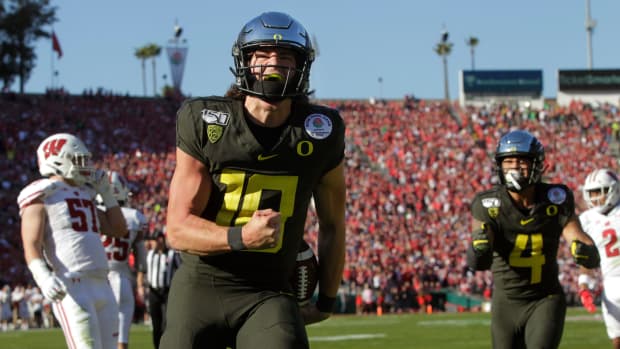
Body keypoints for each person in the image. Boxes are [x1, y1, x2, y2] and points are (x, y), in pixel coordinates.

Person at [160, 11, 346, 349]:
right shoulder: (204, 121)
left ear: (301, 66)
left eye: (286, 56)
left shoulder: (321, 131)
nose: (274, 63)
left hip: (269, 290)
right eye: (262, 55)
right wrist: (241, 236)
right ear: (244, 62)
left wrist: (327, 300)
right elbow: (176, 228)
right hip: (203, 285)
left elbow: (333, 224)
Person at [466, 129, 600, 349]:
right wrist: (479, 249)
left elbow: (578, 239)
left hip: (544, 299)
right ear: (499, 165)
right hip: (506, 302)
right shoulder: (488, 204)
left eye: (522, 161)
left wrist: (587, 252)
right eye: (508, 162)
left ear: (537, 165)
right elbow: (478, 262)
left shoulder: (556, 199)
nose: (515, 168)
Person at [17, 132, 128, 349]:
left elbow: (118, 229)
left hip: (102, 282)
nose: (85, 165)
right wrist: (43, 277)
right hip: (73, 284)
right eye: (78, 160)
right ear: (57, 159)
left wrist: (107, 195)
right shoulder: (43, 193)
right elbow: (31, 243)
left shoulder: (85, 193)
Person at [99, 171, 147, 349]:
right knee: (121, 341)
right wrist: (141, 279)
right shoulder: (135, 217)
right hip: (122, 279)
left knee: (97, 336)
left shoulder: (95, 213)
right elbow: (142, 259)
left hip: (98, 279)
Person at [579, 168, 620, 349]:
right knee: (617, 340)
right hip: (610, 284)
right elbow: (587, 259)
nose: (595, 198)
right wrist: (584, 285)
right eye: (592, 193)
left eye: (599, 192)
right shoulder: (586, 219)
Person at [145, 232, 180, 349]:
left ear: (161, 240)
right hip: (153, 292)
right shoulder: (149, 255)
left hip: (166, 292)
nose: (154, 242)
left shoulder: (171, 254)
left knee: (166, 323)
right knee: (156, 324)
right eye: (153, 240)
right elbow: (143, 271)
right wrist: (141, 285)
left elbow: (180, 270)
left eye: (156, 240)